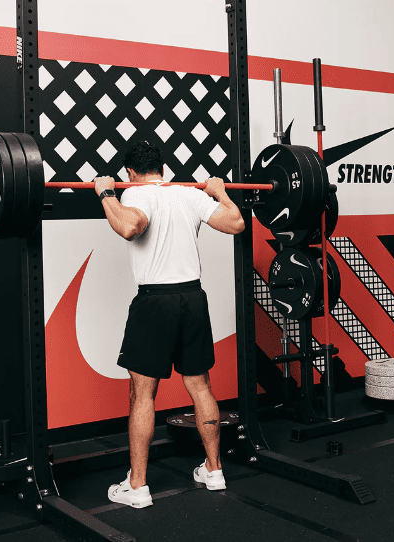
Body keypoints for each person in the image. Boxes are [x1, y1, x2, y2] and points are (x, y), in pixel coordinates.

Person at [94, 140, 245, 509]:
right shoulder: (186, 195)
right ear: (162, 168)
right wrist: (221, 193)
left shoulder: (137, 195)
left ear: (131, 173)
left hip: (156, 304)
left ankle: (139, 486)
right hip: (193, 299)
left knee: (142, 395)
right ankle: (214, 470)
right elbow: (236, 222)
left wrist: (107, 193)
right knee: (201, 388)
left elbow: (129, 227)